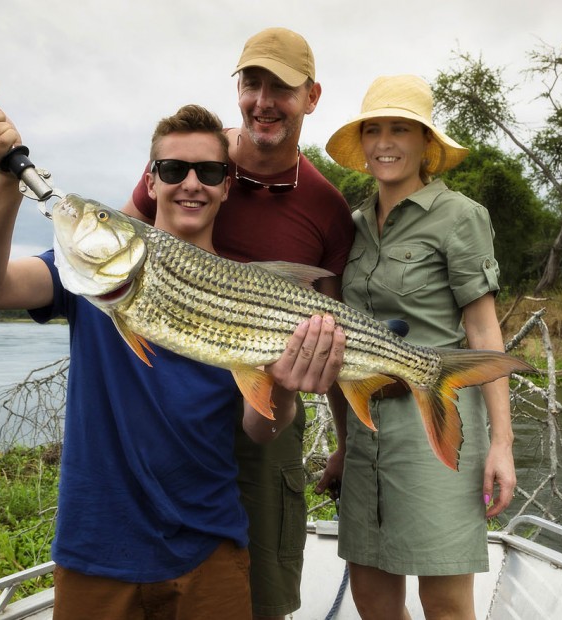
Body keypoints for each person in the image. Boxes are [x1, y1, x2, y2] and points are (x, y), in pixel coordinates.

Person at [0, 97, 301, 619]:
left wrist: (288, 385)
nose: (191, 182)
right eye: (173, 168)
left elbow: (260, 430)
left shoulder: (250, 292)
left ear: (226, 187)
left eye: (208, 171)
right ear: (151, 180)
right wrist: (5, 174)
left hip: (210, 546)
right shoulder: (82, 277)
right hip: (96, 549)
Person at [123, 27, 355, 620]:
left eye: (282, 87)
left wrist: (346, 447)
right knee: (157, 574)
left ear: (312, 97)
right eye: (252, 84)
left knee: (262, 589)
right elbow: (124, 250)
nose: (264, 102)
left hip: (267, 410)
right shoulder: (195, 164)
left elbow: (329, 334)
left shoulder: (326, 205)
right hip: (169, 406)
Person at [323, 74, 516, 620]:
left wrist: (501, 443)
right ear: (362, 144)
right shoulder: (352, 224)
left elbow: (482, 331)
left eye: (401, 129)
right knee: (372, 599)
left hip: (436, 423)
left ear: (425, 143)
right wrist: (342, 445)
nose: (385, 142)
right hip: (365, 431)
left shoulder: (459, 216)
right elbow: (346, 341)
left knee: (446, 603)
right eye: (374, 129)